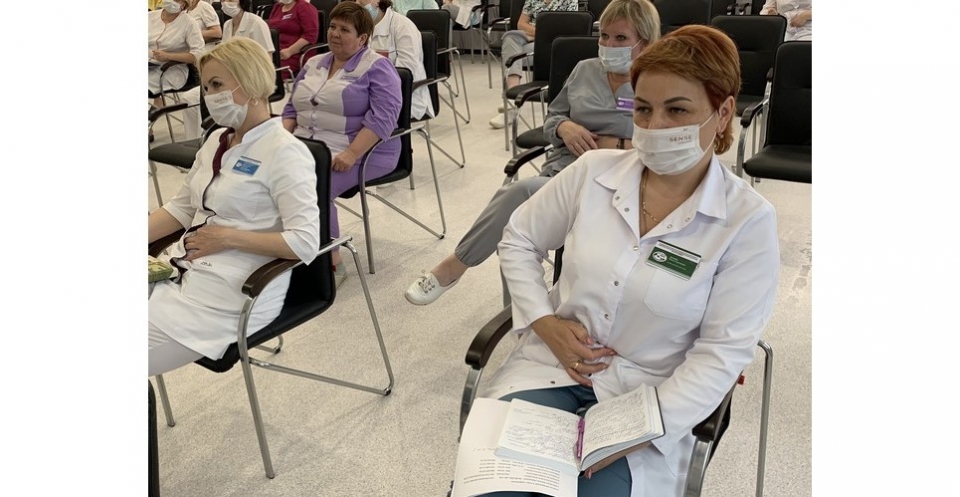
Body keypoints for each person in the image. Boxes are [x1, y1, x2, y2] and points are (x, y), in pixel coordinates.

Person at [464, 24, 780, 497]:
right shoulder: (593, 172)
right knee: (494, 490)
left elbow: (721, 353)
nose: (654, 127)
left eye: (677, 110)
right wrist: (545, 322)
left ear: (723, 112)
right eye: (643, 109)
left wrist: (637, 430)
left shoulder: (746, 221)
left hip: (649, 398)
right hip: (551, 368)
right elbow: (519, 239)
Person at [406, 0, 660, 305]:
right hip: (564, 170)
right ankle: (518, 318)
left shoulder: (659, 84)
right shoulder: (585, 70)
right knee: (515, 234)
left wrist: (617, 145)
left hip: (620, 182)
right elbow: (553, 117)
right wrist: (565, 127)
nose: (608, 45)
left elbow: (666, 144)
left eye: (620, 38)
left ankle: (455, 267)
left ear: (645, 42)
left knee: (519, 197)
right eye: (604, 36)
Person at [148, 38, 320, 377]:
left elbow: (305, 242)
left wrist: (228, 238)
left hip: (232, 294)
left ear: (251, 83)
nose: (209, 95)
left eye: (217, 85)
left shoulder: (285, 152)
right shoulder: (217, 139)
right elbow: (181, 209)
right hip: (183, 272)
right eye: (206, 87)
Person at [282, 1, 402, 286]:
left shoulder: (378, 67)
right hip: (309, 145)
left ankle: (332, 262)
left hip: (364, 152)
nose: (335, 33)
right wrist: (281, 141)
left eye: (344, 29)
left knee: (314, 186)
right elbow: (291, 108)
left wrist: (351, 152)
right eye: (333, 27)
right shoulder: (314, 62)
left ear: (362, 38)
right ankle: (288, 248)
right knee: (267, 175)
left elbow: (383, 120)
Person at [489, 0, 579, 129]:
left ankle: (510, 103)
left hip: (551, 46)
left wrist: (537, 34)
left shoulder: (569, 1)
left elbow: (565, 29)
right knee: (510, 38)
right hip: (529, 41)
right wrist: (539, 33)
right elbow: (521, 24)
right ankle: (512, 99)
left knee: (512, 56)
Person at [353, 0, 434, 120]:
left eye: (362, 0)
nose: (357, 3)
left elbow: (405, 71)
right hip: (367, 92)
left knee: (353, 117)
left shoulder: (402, 26)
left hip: (403, 96)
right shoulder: (360, 27)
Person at [148, 0, 204, 97]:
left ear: (184, 4)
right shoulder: (150, 16)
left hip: (171, 70)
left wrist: (168, 56)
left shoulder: (189, 23)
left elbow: (198, 54)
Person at [269, 0, 320, 78]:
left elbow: (310, 35)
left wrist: (290, 51)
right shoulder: (277, 7)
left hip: (294, 54)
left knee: (267, 75)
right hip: (275, 52)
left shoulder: (304, 7)